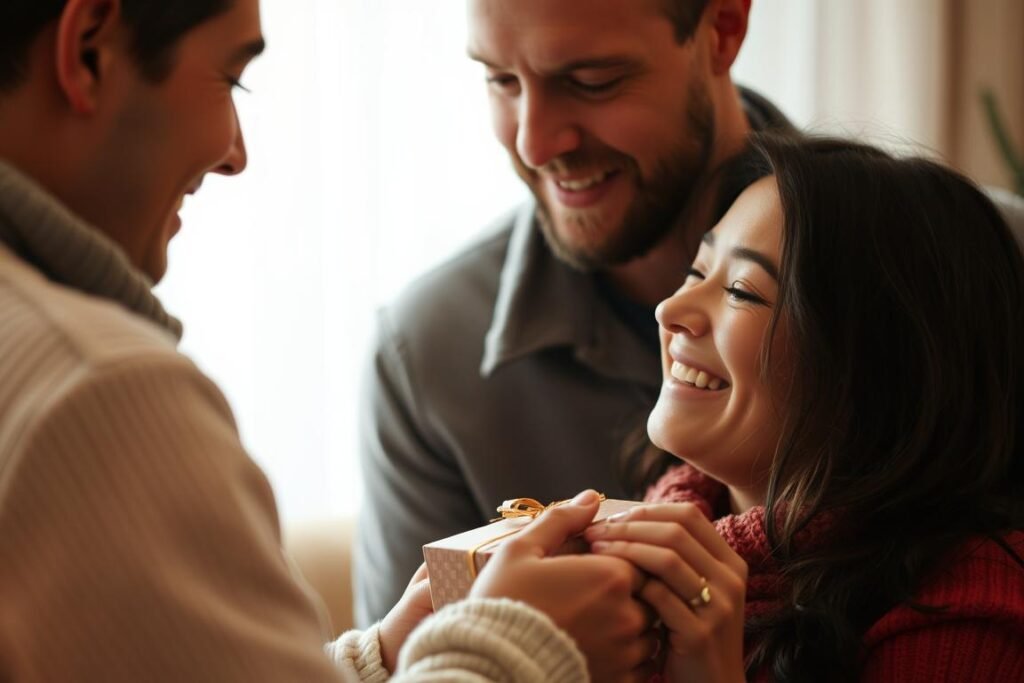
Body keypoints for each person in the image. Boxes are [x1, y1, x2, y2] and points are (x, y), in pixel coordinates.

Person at [0, 1, 657, 680]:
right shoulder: (93, 388)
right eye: (232, 79)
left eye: (595, 79)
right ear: (86, 51)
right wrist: (516, 646)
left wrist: (380, 660)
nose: (236, 154)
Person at [356, 0, 800, 626]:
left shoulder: (964, 269)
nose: (534, 144)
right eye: (501, 80)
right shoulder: (427, 352)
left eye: (593, 82)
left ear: (722, 30)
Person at [579, 135, 1024, 680]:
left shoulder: (962, 625)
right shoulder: (655, 529)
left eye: (742, 290)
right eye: (698, 272)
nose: (671, 309)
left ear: (877, 369)